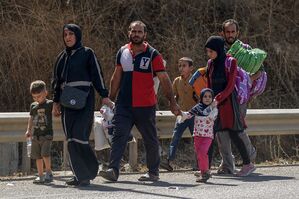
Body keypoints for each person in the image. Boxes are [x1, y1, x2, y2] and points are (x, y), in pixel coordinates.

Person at [99, 20, 180, 182]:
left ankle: (153, 172)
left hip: (145, 105)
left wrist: (172, 101)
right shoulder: (122, 52)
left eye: (139, 32)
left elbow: (164, 79)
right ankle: (113, 170)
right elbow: (116, 76)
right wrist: (109, 98)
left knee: (150, 139)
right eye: (133, 31)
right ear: (129, 33)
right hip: (124, 105)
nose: (136, 34)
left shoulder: (152, 54)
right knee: (119, 135)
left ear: (145, 34)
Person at [52, 24, 113, 186]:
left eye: (71, 34)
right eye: (65, 34)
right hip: (66, 102)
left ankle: (90, 168)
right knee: (71, 139)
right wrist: (55, 102)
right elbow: (56, 82)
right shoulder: (61, 57)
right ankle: (80, 176)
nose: (68, 37)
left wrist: (104, 95)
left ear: (77, 35)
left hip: (85, 100)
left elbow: (97, 75)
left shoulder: (87, 53)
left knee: (80, 135)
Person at [205, 36, 255, 176]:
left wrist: (218, 99)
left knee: (233, 133)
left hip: (228, 103)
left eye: (211, 51)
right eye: (207, 51)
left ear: (218, 50)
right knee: (210, 133)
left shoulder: (230, 61)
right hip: (214, 103)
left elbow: (230, 85)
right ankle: (205, 168)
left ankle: (247, 164)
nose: (209, 54)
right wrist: (208, 99)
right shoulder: (210, 63)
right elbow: (209, 83)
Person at [216, 19, 258, 174]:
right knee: (221, 131)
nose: (230, 34)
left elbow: (259, 71)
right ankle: (227, 165)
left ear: (238, 33)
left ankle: (250, 155)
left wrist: (243, 80)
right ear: (222, 33)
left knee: (237, 129)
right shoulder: (218, 49)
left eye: (233, 31)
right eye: (227, 32)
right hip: (221, 96)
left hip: (239, 98)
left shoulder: (245, 50)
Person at [160, 57, 197, 171]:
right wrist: (173, 103)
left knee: (197, 139)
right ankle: (169, 161)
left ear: (191, 68)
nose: (181, 68)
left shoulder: (195, 80)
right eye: (179, 66)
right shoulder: (176, 81)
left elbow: (201, 96)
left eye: (184, 66)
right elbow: (174, 95)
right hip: (181, 114)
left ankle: (200, 163)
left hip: (193, 114)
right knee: (175, 138)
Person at [178, 88, 218, 182]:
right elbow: (189, 115)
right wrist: (181, 114)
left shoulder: (214, 109)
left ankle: (205, 173)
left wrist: (210, 113)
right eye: (205, 96)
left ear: (212, 98)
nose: (207, 98)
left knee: (203, 152)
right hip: (197, 134)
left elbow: (211, 117)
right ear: (201, 97)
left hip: (207, 135)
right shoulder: (197, 107)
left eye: (210, 97)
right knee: (199, 154)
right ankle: (204, 170)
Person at [25, 80, 54, 184]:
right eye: (34, 97)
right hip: (36, 135)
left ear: (45, 93)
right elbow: (31, 118)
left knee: (45, 154)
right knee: (38, 156)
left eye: (40, 96)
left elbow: (56, 110)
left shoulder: (50, 104)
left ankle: (49, 173)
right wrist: (28, 130)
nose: (37, 99)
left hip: (47, 134)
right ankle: (40, 175)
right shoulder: (33, 105)